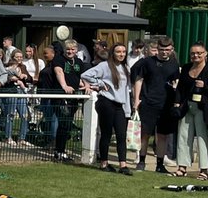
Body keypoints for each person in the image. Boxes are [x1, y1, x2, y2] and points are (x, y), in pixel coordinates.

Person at [82, 43, 133, 174]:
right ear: (112, 53)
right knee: (106, 133)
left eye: (123, 52)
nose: (121, 54)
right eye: (118, 52)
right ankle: (104, 163)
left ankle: (123, 165)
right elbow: (86, 75)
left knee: (121, 135)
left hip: (119, 104)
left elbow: (125, 90)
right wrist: (100, 83)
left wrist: (128, 109)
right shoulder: (105, 66)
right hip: (107, 102)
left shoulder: (125, 68)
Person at [131, 35, 179, 173]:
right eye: (162, 49)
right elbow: (139, 79)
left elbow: (176, 83)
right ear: (157, 49)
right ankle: (141, 161)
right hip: (149, 102)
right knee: (145, 134)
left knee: (163, 135)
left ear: (172, 49)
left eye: (168, 50)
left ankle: (160, 164)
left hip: (166, 104)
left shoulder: (174, 64)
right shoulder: (147, 62)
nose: (164, 52)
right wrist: (136, 100)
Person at [174, 42, 208, 180]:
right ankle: (182, 167)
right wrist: (176, 103)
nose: (196, 55)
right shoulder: (187, 67)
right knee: (183, 137)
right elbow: (180, 88)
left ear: (205, 54)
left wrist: (205, 86)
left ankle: (204, 170)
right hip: (186, 106)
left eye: (199, 53)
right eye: (193, 53)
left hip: (202, 108)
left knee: (202, 138)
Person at [53, 40, 88, 162]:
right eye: (68, 49)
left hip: (73, 97)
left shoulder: (78, 62)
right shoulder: (59, 59)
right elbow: (59, 72)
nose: (70, 51)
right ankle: (59, 152)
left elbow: (81, 77)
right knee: (64, 124)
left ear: (76, 50)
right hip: (61, 96)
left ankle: (61, 151)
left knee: (68, 124)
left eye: (73, 49)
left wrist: (87, 86)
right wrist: (64, 86)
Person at [0, 49, 32, 146]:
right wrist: (11, 79)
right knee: (10, 114)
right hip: (11, 91)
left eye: (21, 57)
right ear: (13, 57)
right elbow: (3, 77)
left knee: (25, 115)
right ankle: (8, 137)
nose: (19, 59)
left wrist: (25, 77)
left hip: (21, 92)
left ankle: (22, 138)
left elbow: (29, 78)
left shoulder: (23, 66)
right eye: (17, 57)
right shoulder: (7, 66)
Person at [35, 44, 60, 148]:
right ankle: (48, 139)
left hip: (51, 96)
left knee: (53, 119)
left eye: (46, 53)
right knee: (48, 118)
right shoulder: (47, 65)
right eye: (44, 53)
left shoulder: (55, 66)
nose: (44, 55)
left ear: (53, 54)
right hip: (44, 95)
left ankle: (53, 140)